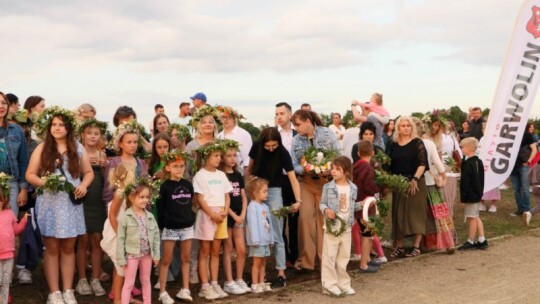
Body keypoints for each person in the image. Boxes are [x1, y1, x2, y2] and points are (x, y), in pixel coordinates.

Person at [25, 107, 94, 304]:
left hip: (70, 203)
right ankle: (54, 292)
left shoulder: (78, 148)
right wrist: (43, 182)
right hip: (49, 202)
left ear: (69, 127)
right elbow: (30, 174)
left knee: (68, 247)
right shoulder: (42, 148)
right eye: (54, 124)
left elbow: (88, 172)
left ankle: (68, 290)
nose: (57, 128)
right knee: (52, 247)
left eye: (61, 124)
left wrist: (83, 184)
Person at [246, 127, 301, 287]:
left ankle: (281, 273)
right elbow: (249, 169)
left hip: (275, 191)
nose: (270, 149)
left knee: (277, 231)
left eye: (274, 146)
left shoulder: (283, 152)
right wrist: (248, 190)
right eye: (267, 146)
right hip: (256, 190)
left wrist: (298, 200)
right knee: (255, 229)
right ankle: (257, 275)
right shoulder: (256, 146)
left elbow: (292, 178)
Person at [291, 110, 340, 271]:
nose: (296, 128)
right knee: (305, 218)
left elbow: (339, 155)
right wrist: (304, 169)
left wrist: (329, 170)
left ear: (307, 121)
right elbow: (294, 164)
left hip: (325, 183)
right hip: (305, 182)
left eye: (298, 125)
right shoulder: (296, 140)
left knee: (322, 221)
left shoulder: (327, 133)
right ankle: (306, 261)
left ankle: (324, 259)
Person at [192, 142, 232, 300]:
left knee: (216, 251)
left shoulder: (221, 175)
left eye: (220, 155)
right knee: (205, 252)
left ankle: (214, 283)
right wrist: (212, 214)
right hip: (207, 215)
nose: (219, 158)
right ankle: (205, 286)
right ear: (206, 156)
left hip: (221, 215)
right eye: (216, 155)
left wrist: (224, 211)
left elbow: (227, 195)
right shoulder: (200, 175)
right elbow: (200, 199)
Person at [156, 150, 195, 303]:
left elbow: (190, 204)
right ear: (168, 168)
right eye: (175, 166)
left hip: (187, 228)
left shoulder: (187, 185)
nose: (179, 169)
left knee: (186, 258)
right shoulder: (164, 187)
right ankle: (163, 291)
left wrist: (189, 219)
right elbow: (160, 208)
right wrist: (163, 225)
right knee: (166, 259)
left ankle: (185, 289)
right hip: (170, 228)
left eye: (181, 166)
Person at [387, 116, 428, 258]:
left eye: (408, 125)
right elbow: (388, 164)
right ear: (398, 128)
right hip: (398, 183)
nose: (405, 128)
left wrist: (415, 179)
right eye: (403, 125)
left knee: (416, 214)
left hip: (415, 183)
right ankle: (400, 246)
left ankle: (416, 247)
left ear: (412, 127)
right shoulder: (393, 145)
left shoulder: (418, 143)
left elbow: (422, 163)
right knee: (398, 215)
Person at [75, 119, 108, 297]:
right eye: (89, 133)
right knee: (83, 241)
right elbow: (72, 175)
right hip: (82, 201)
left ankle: (95, 278)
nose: (93, 136)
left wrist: (104, 168)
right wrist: (82, 167)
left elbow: (108, 182)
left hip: (98, 201)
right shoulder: (77, 152)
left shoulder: (103, 155)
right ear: (82, 135)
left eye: (96, 133)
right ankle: (81, 279)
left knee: (97, 240)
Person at [413, 118, 455, 251]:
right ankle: (444, 241)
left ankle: (420, 243)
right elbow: (437, 162)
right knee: (438, 213)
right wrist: (443, 176)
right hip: (431, 182)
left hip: (416, 182)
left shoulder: (409, 144)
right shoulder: (429, 143)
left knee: (419, 213)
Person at [116, 177, 160, 304]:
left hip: (146, 255)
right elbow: (120, 239)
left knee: (146, 281)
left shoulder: (150, 217)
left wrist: (156, 255)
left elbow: (156, 237)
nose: (145, 200)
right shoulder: (125, 217)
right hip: (131, 256)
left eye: (147, 197)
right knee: (128, 283)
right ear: (131, 197)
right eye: (141, 197)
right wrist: (121, 258)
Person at [320, 156, 358, 296]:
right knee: (329, 257)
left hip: (346, 228)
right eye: (332, 169)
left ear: (346, 171)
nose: (333, 172)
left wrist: (366, 203)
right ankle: (329, 285)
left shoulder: (353, 188)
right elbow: (322, 204)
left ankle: (344, 284)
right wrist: (326, 210)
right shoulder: (328, 187)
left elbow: (353, 206)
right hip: (332, 227)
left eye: (338, 169)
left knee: (344, 257)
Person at [100, 163, 136, 304]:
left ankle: (119, 294)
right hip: (116, 233)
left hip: (122, 231)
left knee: (118, 267)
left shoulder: (125, 192)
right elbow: (112, 215)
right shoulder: (120, 193)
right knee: (121, 267)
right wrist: (121, 236)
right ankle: (118, 299)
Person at [219, 140, 250, 295]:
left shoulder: (238, 175)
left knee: (242, 250)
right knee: (228, 248)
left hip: (239, 215)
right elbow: (223, 200)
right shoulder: (221, 176)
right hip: (228, 216)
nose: (232, 158)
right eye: (228, 155)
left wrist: (243, 214)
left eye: (234, 155)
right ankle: (228, 281)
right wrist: (233, 215)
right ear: (222, 158)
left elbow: (243, 196)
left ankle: (239, 278)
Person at [351, 141, 385, 271]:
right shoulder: (368, 168)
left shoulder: (356, 167)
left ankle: (367, 259)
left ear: (358, 153)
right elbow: (370, 187)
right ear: (372, 153)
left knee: (365, 233)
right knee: (367, 235)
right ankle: (363, 264)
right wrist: (380, 186)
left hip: (357, 204)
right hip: (366, 205)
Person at [274, 102, 299, 266]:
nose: (279, 116)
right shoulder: (273, 135)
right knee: (281, 220)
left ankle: (297, 255)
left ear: (290, 115)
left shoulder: (299, 133)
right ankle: (285, 257)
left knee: (296, 219)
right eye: (276, 114)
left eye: (282, 113)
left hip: (296, 180)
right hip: (279, 180)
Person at [0, 180, 28, 304]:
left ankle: (4, 300)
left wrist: (24, 221)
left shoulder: (9, 214)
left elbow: (16, 230)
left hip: (9, 254)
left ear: (3, 200)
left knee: (6, 281)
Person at [457, 137, 488, 250]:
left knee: (471, 218)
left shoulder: (469, 163)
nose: (461, 149)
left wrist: (463, 199)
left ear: (468, 148)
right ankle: (481, 239)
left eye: (462, 147)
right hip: (477, 193)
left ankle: (470, 241)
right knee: (475, 216)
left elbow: (465, 182)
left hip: (471, 195)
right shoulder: (478, 161)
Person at [245, 177, 274, 293]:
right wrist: (255, 240)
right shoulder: (252, 207)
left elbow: (268, 224)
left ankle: (262, 282)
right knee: (257, 262)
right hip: (257, 242)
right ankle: (254, 283)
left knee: (263, 262)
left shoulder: (265, 207)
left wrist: (271, 239)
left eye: (267, 191)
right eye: (264, 191)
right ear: (255, 193)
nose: (267, 194)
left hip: (266, 241)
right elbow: (252, 225)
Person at [510, 129, 538, 217]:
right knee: (516, 189)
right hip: (512, 166)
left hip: (523, 165)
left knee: (525, 189)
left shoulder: (527, 135)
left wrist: (528, 162)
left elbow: (534, 149)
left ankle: (526, 210)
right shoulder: (510, 134)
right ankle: (520, 209)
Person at [217, 106, 252, 174]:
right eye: (223, 117)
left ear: (234, 119)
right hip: (222, 174)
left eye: (229, 117)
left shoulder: (243, 134)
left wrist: (246, 179)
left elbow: (247, 160)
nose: (226, 120)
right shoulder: (219, 136)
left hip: (239, 174)